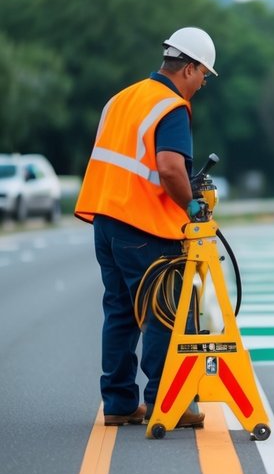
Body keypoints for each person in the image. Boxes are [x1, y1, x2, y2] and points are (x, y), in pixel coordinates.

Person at [75, 27, 216, 428]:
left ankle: (119, 402)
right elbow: (171, 167)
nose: (202, 84)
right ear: (188, 68)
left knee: (120, 311)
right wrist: (190, 204)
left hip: (106, 219)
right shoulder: (170, 107)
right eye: (203, 74)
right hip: (144, 225)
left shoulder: (121, 99)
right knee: (163, 313)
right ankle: (165, 402)